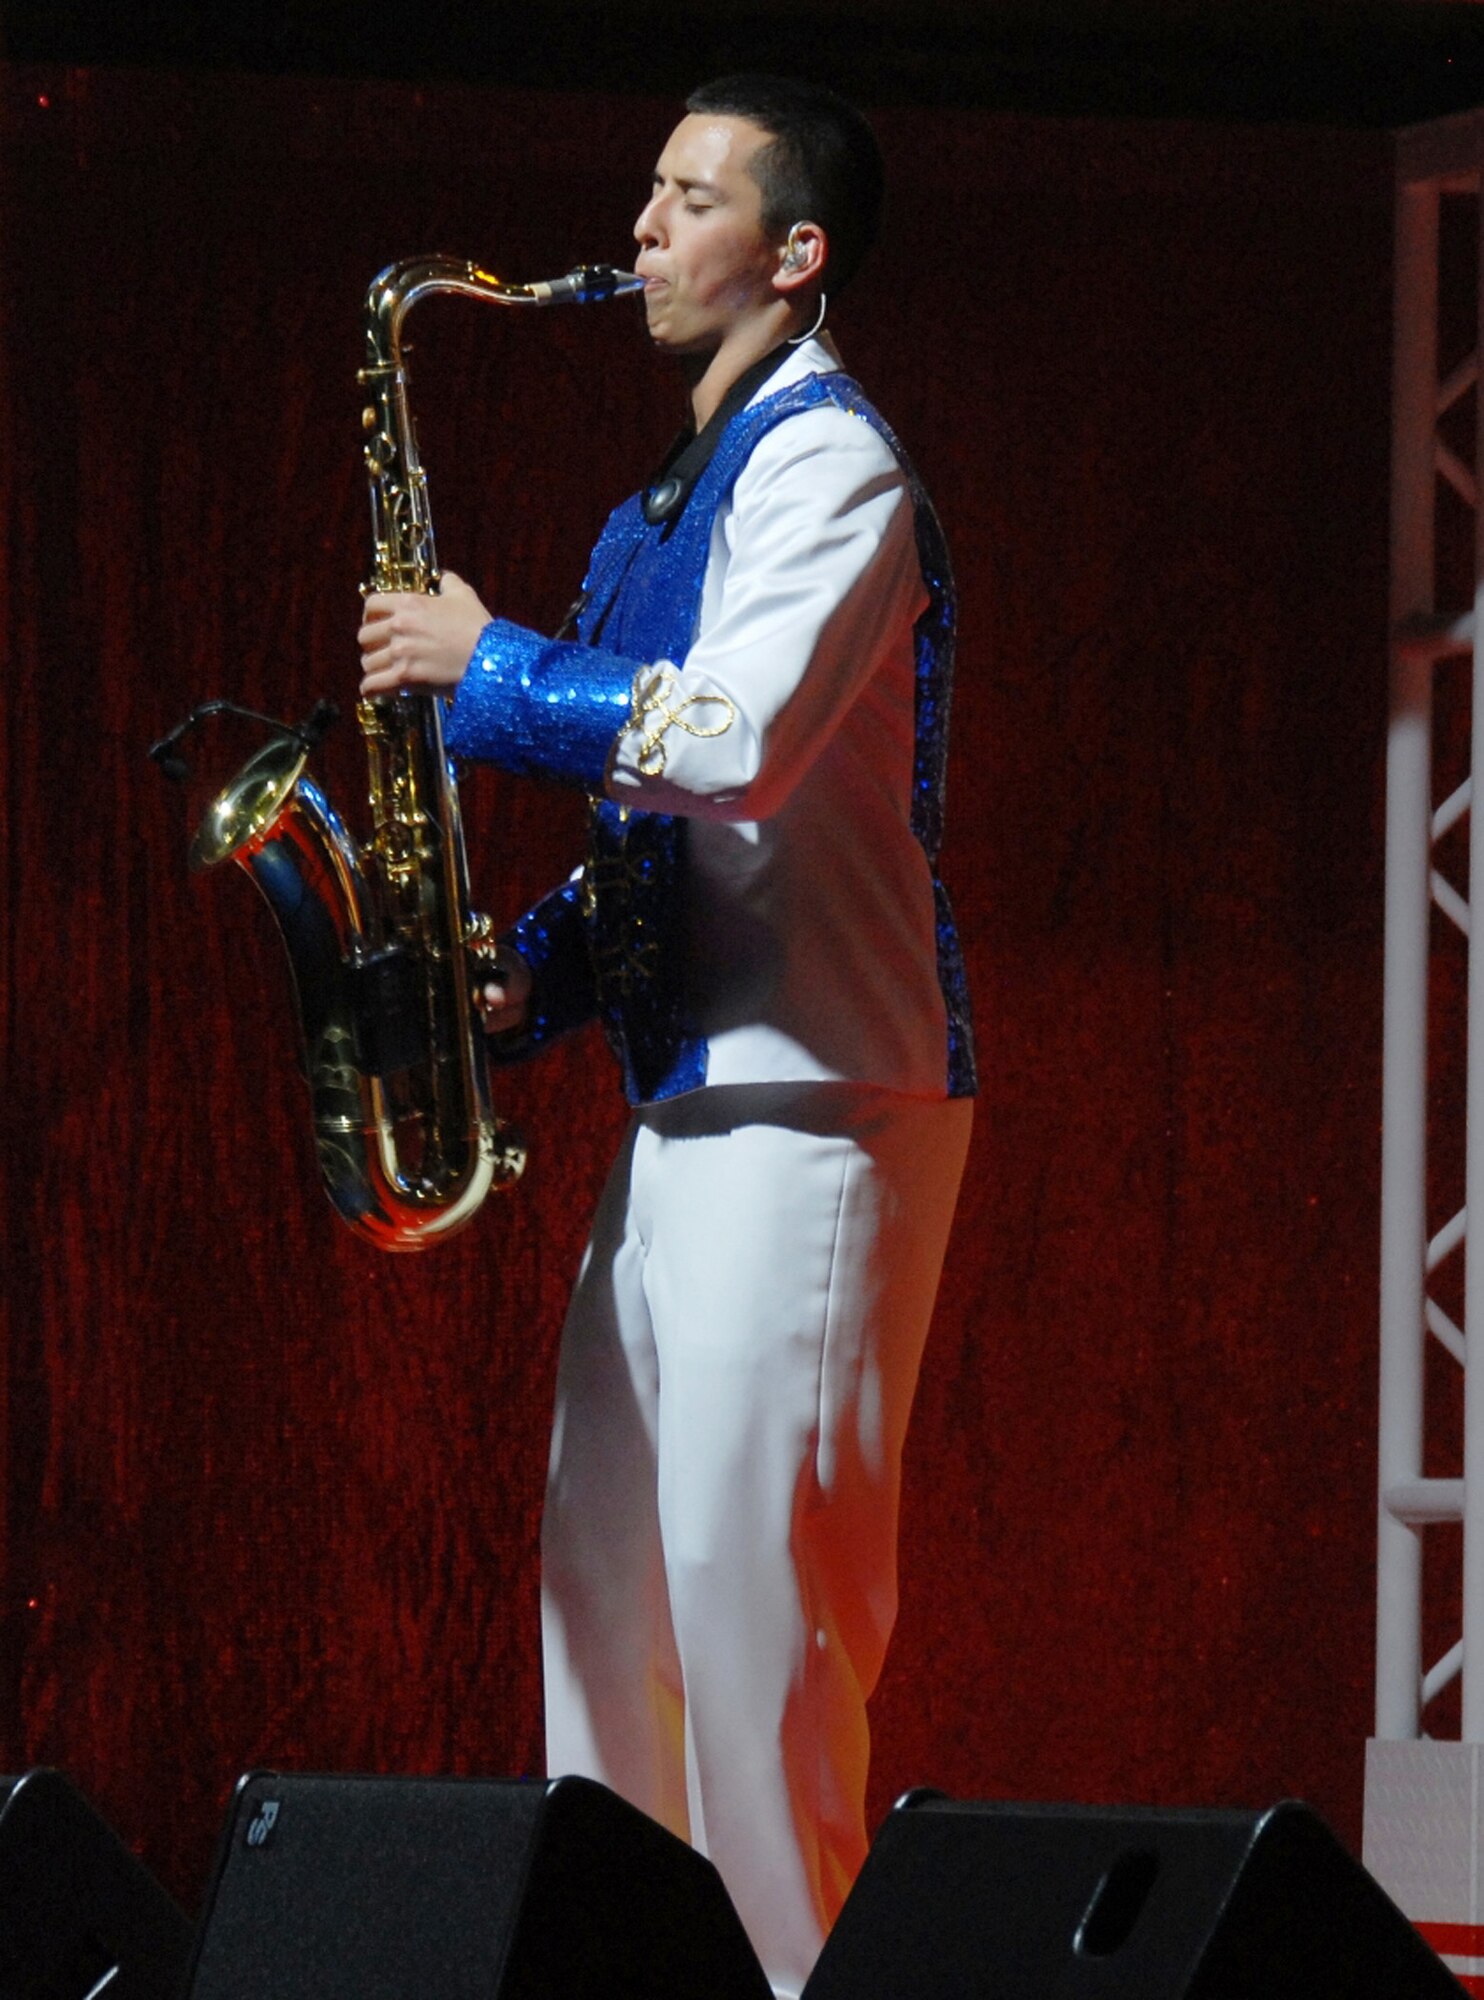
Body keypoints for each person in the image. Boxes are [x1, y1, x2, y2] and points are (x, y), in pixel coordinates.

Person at [357, 75, 975, 2000]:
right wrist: (527, 975)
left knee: (753, 1626)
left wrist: (492, 663)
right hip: (690, 1109)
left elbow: (734, 744)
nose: (637, 229)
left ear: (793, 258)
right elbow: (659, 828)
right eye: (645, 190)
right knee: (608, 1605)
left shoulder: (831, 464)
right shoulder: (674, 498)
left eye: (688, 198)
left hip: (818, 1107)